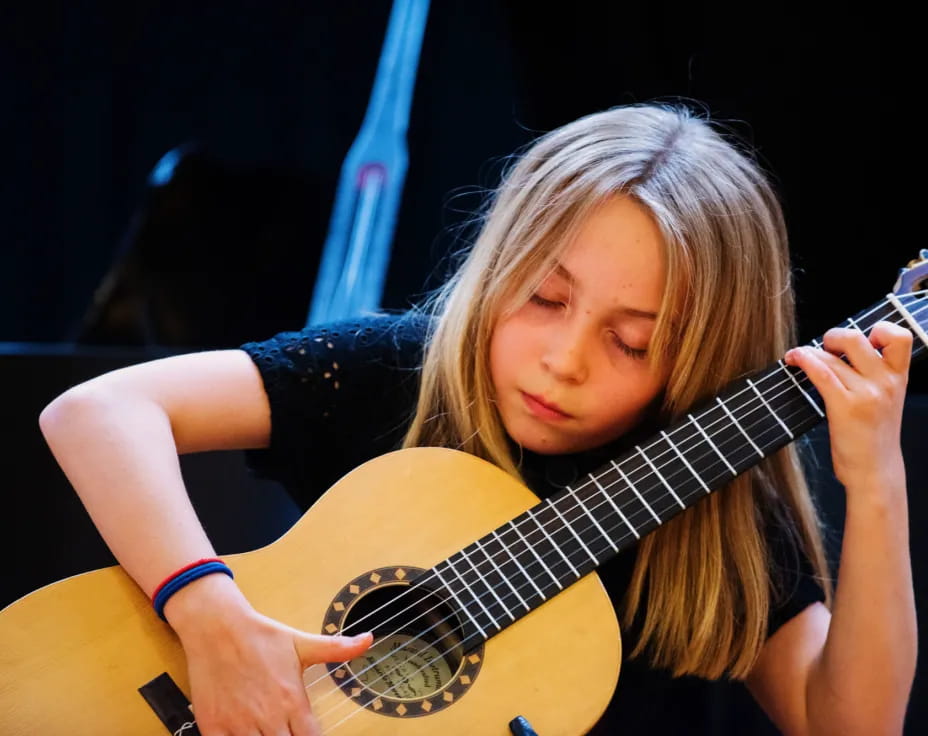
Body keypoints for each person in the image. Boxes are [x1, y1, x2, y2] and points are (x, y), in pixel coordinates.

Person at [39, 103, 916, 735]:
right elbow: (100, 411)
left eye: (631, 342)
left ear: (699, 363)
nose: (564, 359)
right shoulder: (399, 371)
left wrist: (877, 480)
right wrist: (211, 619)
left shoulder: (710, 500)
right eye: (544, 298)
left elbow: (849, 725)